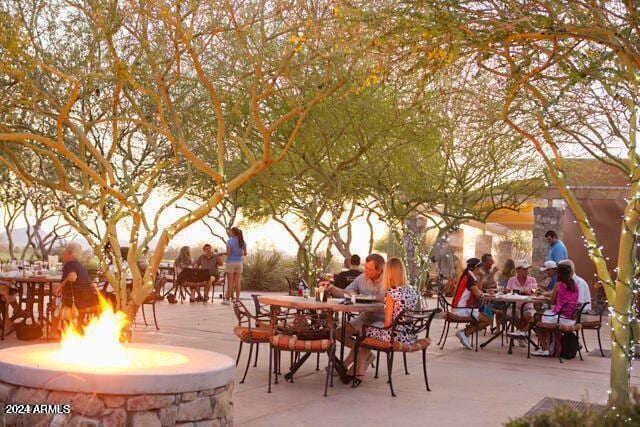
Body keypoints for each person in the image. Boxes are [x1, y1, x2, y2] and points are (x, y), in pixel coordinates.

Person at [343, 258, 419, 385]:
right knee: (368, 330)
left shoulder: (392, 294)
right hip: (408, 334)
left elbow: (388, 323)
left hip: (394, 335)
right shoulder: (411, 290)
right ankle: (352, 368)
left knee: (365, 333)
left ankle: (357, 372)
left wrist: (373, 327)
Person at [50, 243, 99, 338]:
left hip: (75, 303)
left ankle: (53, 333)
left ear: (69, 253)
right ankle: (77, 331)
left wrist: (61, 285)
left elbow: (72, 277)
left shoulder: (69, 265)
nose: (63, 255)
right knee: (60, 301)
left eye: (64, 252)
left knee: (54, 306)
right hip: (88, 301)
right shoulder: (80, 266)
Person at [531, 264, 580, 356]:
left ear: (559, 273)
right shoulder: (574, 285)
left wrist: (542, 296)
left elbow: (552, 301)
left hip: (560, 318)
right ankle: (552, 345)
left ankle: (545, 348)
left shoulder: (559, 284)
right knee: (541, 315)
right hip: (571, 318)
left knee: (537, 317)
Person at [452, 258, 491, 350]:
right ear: (475, 267)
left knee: (484, 317)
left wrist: (481, 278)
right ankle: (465, 333)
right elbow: (478, 294)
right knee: (487, 320)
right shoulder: (470, 278)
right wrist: (488, 294)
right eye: (479, 267)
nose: (480, 269)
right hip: (462, 309)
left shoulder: (468, 275)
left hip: (459, 307)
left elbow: (478, 290)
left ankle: (465, 333)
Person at [506, 260, 538, 342]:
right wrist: (516, 292)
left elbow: (536, 290)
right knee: (514, 314)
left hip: (528, 306)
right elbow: (507, 292)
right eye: (524, 269)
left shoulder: (532, 279)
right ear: (517, 270)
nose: (526, 271)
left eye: (527, 269)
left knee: (530, 316)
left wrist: (531, 291)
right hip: (514, 306)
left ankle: (521, 332)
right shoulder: (512, 280)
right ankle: (521, 334)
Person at [224, 227, 247, 304]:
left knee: (230, 282)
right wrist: (238, 253)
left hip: (231, 262)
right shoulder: (242, 241)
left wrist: (220, 254)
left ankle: (227, 299)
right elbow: (245, 253)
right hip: (239, 263)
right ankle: (237, 299)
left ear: (232, 232)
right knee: (237, 282)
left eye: (230, 232)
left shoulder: (230, 241)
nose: (229, 233)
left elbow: (228, 253)